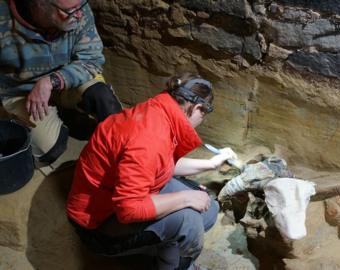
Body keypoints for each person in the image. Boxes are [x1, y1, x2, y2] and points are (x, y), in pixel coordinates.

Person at [66, 74, 236, 270]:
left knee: (208, 208)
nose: (202, 121)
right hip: (98, 223)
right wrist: (185, 198)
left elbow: (159, 164)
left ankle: (165, 246)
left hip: (115, 196)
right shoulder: (150, 138)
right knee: (188, 221)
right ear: (198, 108)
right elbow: (128, 209)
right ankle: (178, 265)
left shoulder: (158, 111)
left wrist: (211, 164)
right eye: (204, 115)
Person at [0, 0, 122, 164]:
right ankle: (59, 120)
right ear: (39, 5)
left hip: (64, 81)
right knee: (48, 150)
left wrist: (51, 81)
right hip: (22, 93)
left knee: (103, 99)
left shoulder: (78, 9)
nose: (79, 14)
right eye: (70, 10)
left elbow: (92, 60)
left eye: (80, 5)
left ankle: (67, 113)